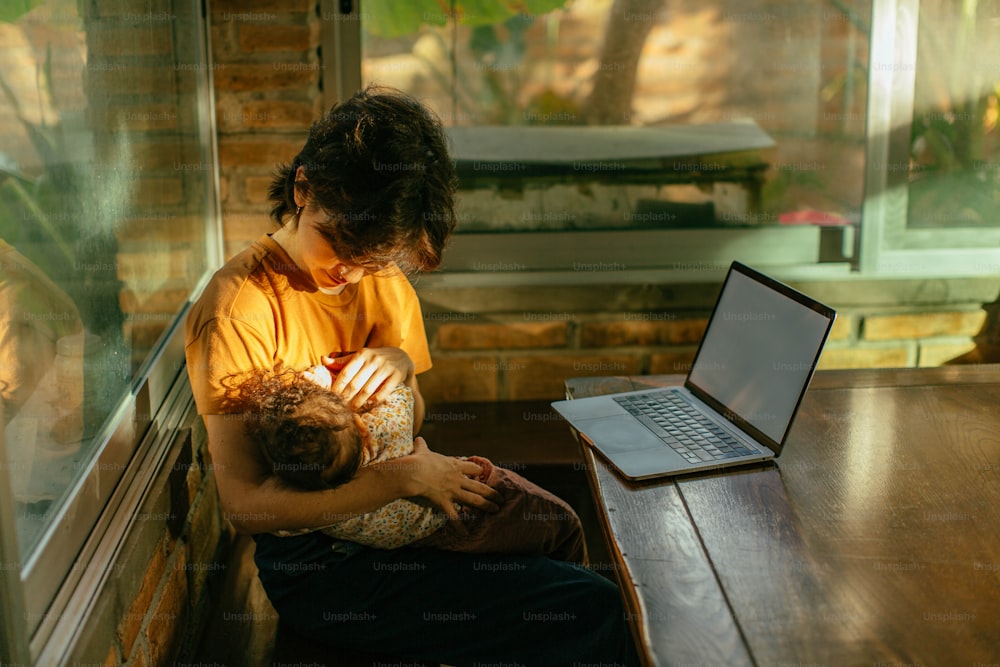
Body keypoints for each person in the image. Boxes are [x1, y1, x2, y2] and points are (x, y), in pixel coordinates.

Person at [184, 85, 639, 665]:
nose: (348, 272)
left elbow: (416, 412)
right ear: (303, 189)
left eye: (373, 258)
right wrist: (401, 478)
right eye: (338, 243)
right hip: (320, 567)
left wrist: (399, 368)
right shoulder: (236, 309)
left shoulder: (384, 282)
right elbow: (246, 505)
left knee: (558, 548)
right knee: (590, 606)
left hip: (402, 514)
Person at [223, 364, 586, 561]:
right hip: (476, 498)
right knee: (563, 524)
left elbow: (273, 508)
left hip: (437, 540)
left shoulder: (310, 507)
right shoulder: (384, 433)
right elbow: (400, 394)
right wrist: (329, 380)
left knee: (533, 553)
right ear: (362, 429)